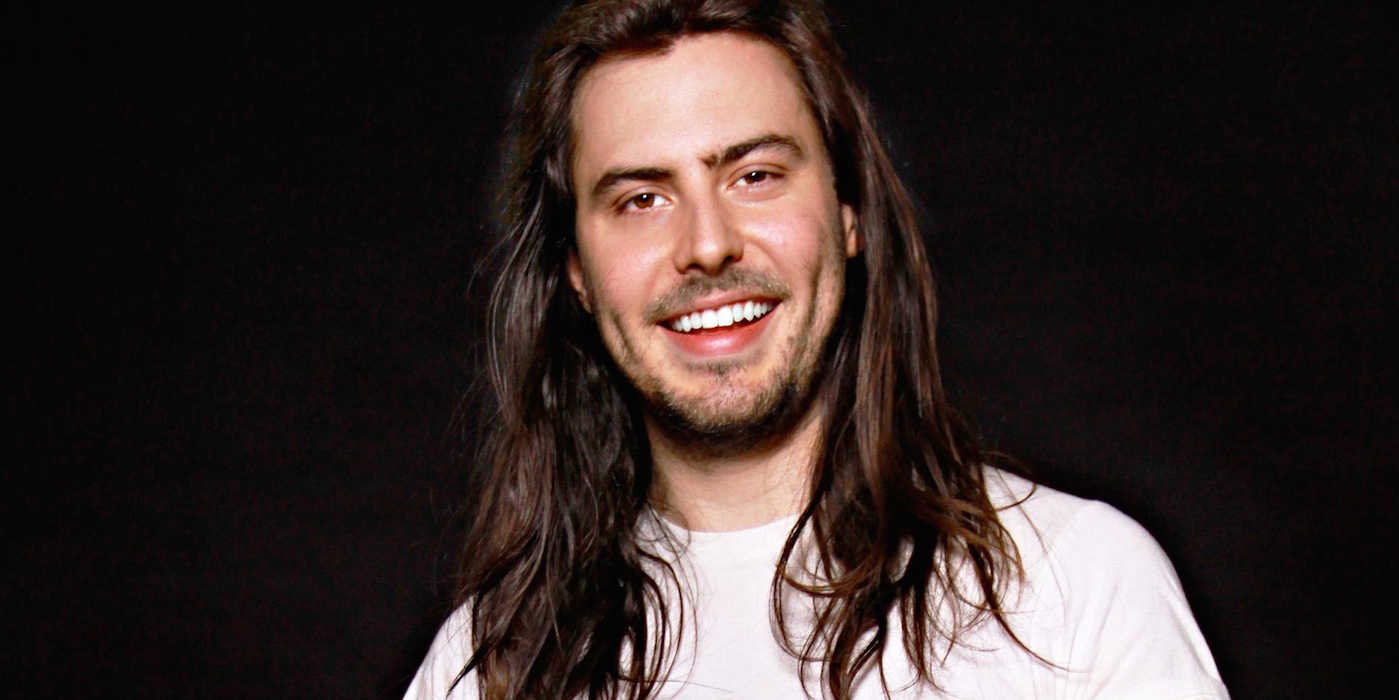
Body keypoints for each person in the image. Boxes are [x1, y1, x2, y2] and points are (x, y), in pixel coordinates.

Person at [406, 0, 1229, 698]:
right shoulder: (489, 665)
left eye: (755, 176)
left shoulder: (1074, 585)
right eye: (642, 198)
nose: (707, 244)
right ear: (577, 273)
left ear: (847, 213)